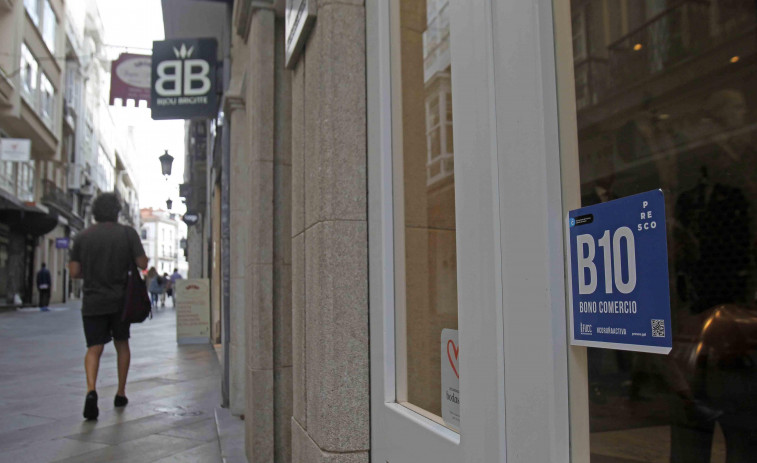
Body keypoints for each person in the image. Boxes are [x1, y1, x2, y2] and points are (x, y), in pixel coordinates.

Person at [68, 192, 148, 420]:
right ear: (117, 211)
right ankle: (120, 392)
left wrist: (91, 272)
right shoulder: (127, 233)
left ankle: (91, 390)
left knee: (94, 347)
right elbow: (142, 263)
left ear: (94, 211)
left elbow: (74, 272)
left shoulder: (83, 236)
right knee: (122, 344)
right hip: (121, 301)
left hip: (93, 300)